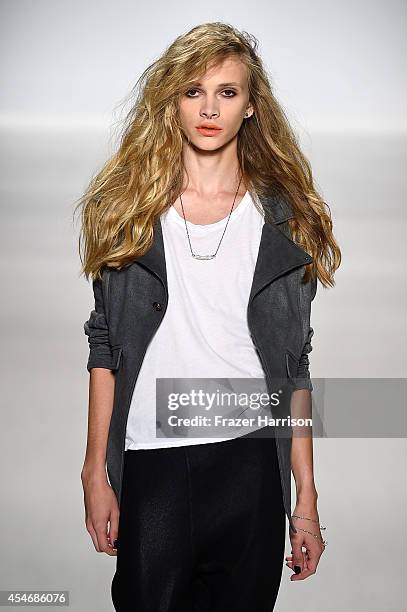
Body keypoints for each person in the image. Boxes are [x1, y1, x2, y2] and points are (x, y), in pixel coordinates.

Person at [76, 22, 341, 612]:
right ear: (171, 102)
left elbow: (293, 370)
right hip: (154, 461)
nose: (209, 108)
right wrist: (95, 469)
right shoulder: (126, 215)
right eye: (192, 91)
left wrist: (306, 500)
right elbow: (104, 348)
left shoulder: (285, 221)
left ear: (251, 107)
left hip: (249, 461)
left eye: (227, 92)